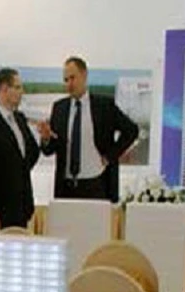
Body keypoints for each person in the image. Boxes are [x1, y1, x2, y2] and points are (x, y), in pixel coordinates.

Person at [37, 56, 138, 202]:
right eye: (66, 80)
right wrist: (46, 138)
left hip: (97, 184)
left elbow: (132, 130)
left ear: (84, 75)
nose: (69, 84)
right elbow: (49, 150)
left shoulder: (104, 106)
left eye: (72, 78)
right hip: (66, 188)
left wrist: (110, 156)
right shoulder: (59, 108)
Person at [0, 67, 40, 228]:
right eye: (17, 87)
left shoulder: (19, 119)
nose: (22, 92)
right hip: (0, 209)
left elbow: (30, 155)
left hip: (22, 206)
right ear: (4, 89)